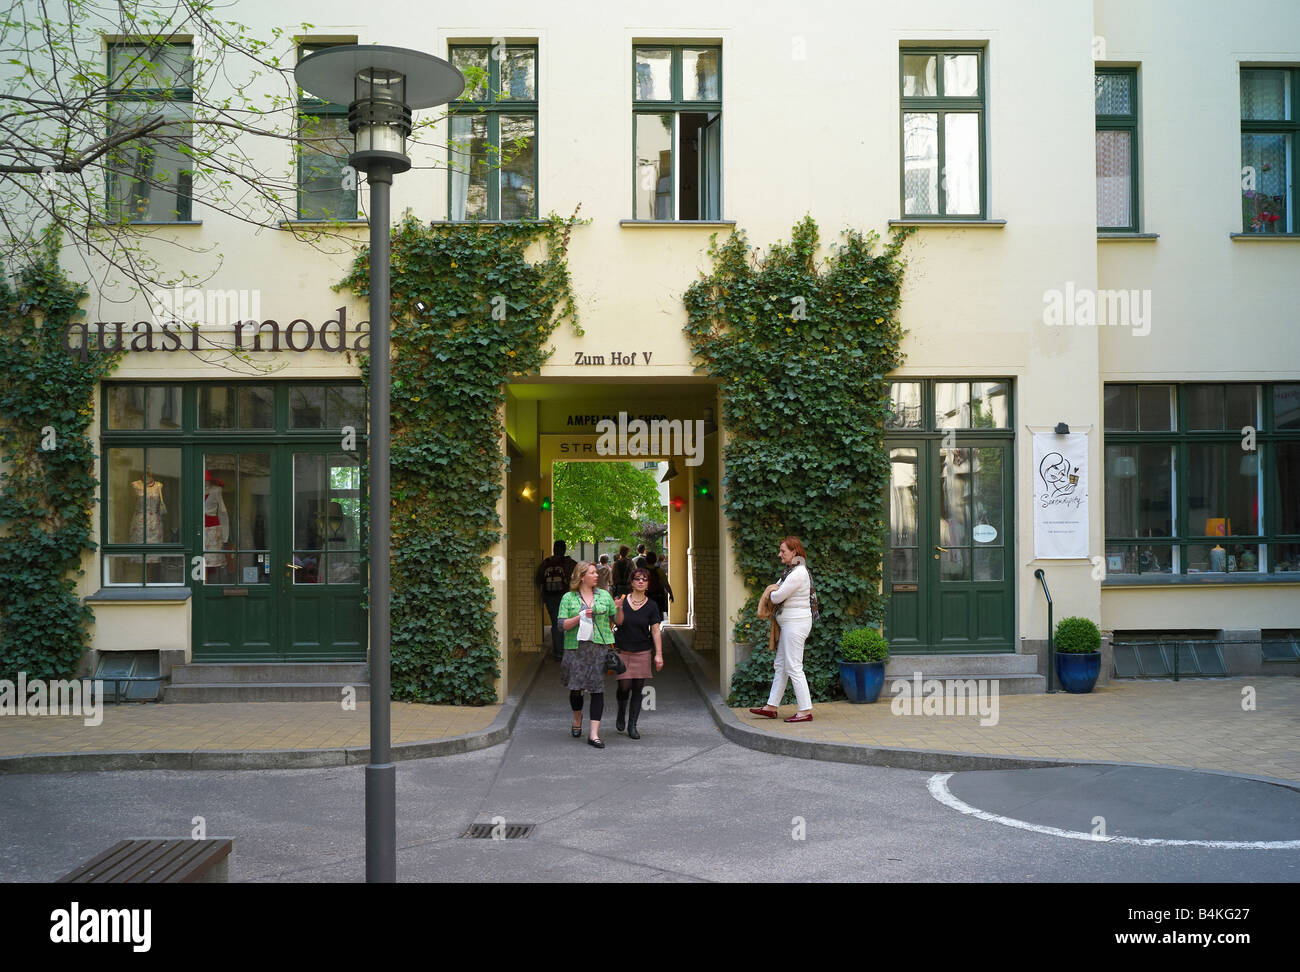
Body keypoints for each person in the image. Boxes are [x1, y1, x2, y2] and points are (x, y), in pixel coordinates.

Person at [749, 536, 815, 723]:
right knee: (781, 666)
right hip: (789, 625)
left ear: (794, 552)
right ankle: (771, 707)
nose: (780, 555)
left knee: (794, 666)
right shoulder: (790, 571)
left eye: (783, 551)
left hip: (795, 625)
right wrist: (774, 589)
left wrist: (770, 590)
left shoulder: (798, 573)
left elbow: (777, 596)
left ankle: (805, 711)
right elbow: (777, 590)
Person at [558, 561, 617, 748]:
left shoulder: (605, 595)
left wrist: (620, 608)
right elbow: (561, 625)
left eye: (596, 572)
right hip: (575, 649)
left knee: (597, 690)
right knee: (576, 689)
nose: (596, 575)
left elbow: (616, 619)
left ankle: (594, 735)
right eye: (592, 572)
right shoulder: (568, 598)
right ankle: (577, 716)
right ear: (582, 576)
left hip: (598, 649)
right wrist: (581, 616)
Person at [613, 568, 664, 739]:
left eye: (644, 579)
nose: (641, 581)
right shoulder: (622, 600)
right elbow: (616, 623)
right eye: (637, 579)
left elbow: (656, 631)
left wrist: (659, 654)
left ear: (648, 584)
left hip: (642, 651)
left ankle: (632, 725)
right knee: (624, 686)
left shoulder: (652, 605)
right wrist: (618, 609)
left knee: (637, 688)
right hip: (623, 649)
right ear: (631, 582)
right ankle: (621, 710)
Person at [535, 540, 577, 661]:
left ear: (554, 549)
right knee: (570, 623)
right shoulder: (570, 563)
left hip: (550, 598)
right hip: (567, 597)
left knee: (556, 624)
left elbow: (538, 580)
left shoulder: (546, 563)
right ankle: (570, 651)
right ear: (564, 550)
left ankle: (558, 653)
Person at [644, 550, 673, 618]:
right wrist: (671, 594)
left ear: (646, 560)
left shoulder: (643, 571)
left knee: (646, 617)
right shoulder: (659, 570)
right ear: (655, 560)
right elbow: (666, 584)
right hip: (657, 597)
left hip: (646, 596)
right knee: (656, 618)